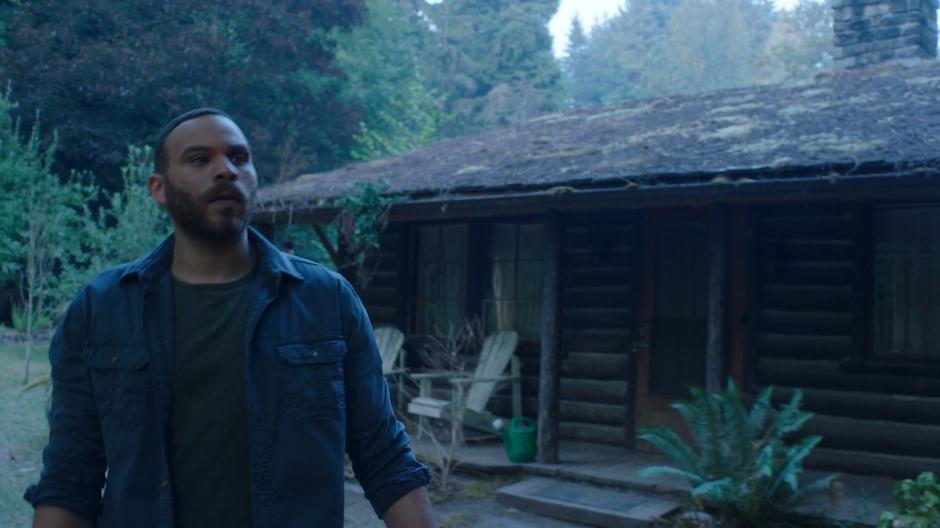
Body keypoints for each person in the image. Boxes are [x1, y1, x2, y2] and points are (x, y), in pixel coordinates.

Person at [25, 108, 435, 528]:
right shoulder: (102, 308)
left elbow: (383, 454)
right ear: (158, 188)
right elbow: (71, 477)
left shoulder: (325, 301)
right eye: (200, 159)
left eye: (239, 158)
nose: (226, 170)